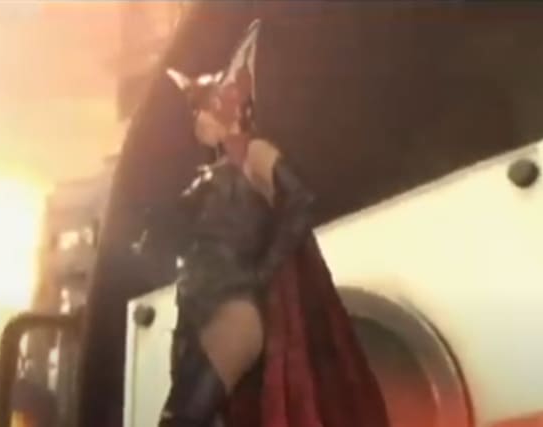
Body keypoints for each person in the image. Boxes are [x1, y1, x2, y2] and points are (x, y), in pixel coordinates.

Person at [138, 19, 389, 427]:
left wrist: (265, 270)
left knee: (182, 419)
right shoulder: (211, 175)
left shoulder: (254, 154)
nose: (198, 117)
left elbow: (299, 201)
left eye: (203, 106)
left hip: (233, 311)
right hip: (197, 308)